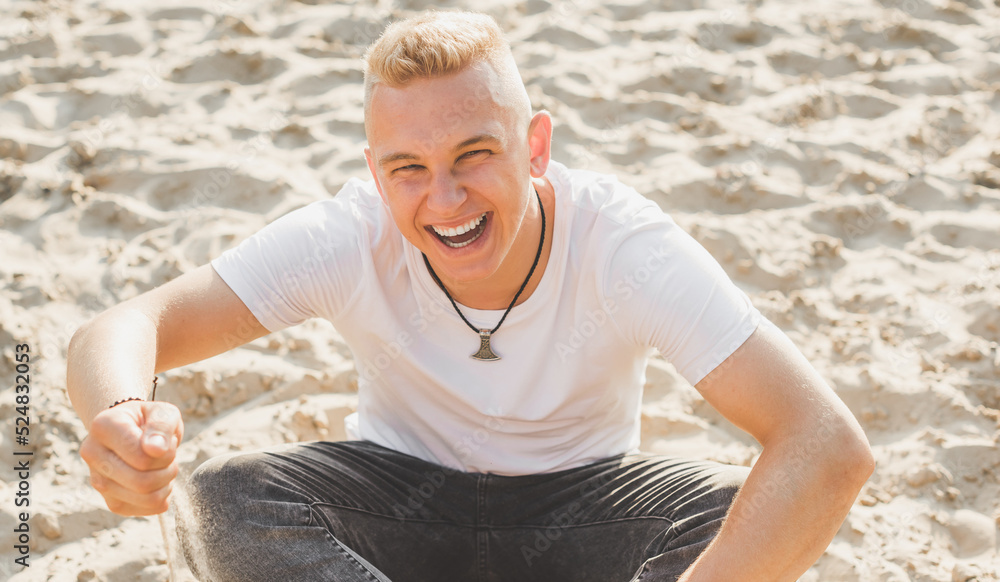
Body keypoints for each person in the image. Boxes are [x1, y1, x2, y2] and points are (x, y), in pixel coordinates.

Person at [66, 10, 874, 582]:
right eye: (409, 168)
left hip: (582, 516)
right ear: (378, 170)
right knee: (222, 500)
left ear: (535, 148)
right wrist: (120, 415)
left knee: (739, 512)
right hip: (393, 517)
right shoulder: (350, 233)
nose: (444, 198)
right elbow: (128, 325)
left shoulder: (622, 242)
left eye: (473, 154)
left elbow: (827, 445)